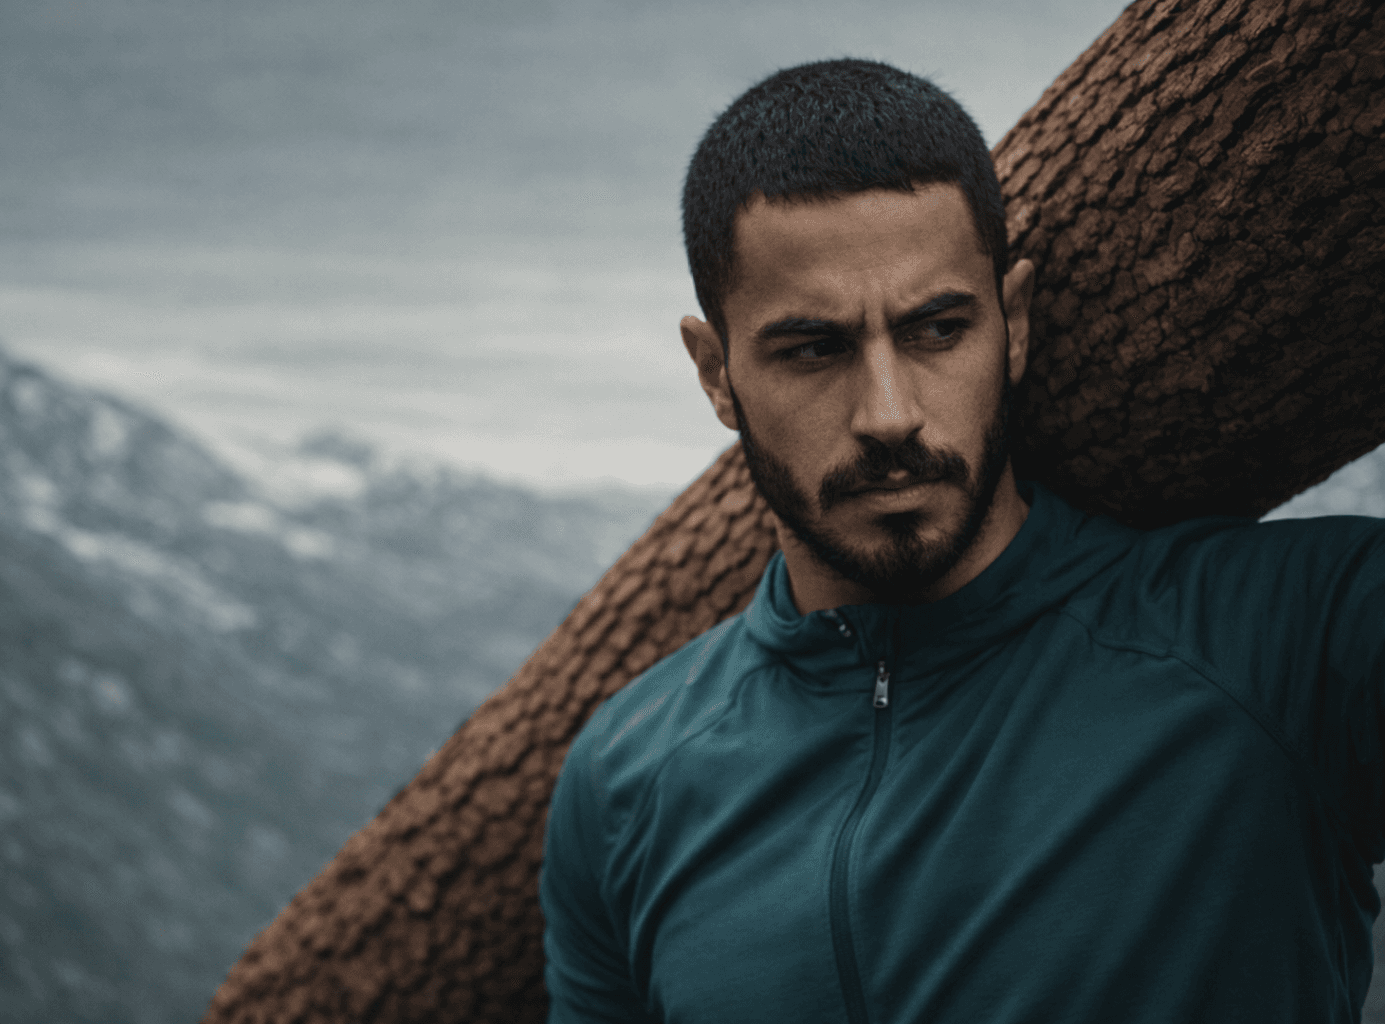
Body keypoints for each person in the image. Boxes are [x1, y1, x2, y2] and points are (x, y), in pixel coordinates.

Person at [538, 58, 1385, 1023]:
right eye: (813, 348)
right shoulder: (626, 778)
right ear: (716, 373)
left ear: (1012, 327)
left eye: (938, 329)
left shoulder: (1292, 639)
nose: (889, 415)